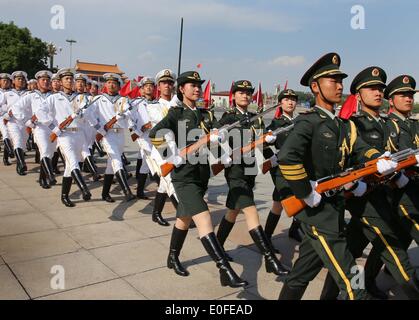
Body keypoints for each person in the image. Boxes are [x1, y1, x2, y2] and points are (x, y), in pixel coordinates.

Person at [277, 53, 397, 300]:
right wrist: (305, 192)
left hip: (334, 209)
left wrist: (380, 159)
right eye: (332, 80)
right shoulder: (308, 123)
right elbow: (287, 158)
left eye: (341, 80)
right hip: (318, 215)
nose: (340, 85)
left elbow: (362, 149)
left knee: (301, 274)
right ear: (315, 86)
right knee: (355, 285)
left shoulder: (345, 125)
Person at [320, 67, 419, 300]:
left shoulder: (387, 125)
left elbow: (394, 158)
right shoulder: (352, 124)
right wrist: (354, 185)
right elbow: (343, 162)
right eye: (371, 88)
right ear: (358, 94)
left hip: (384, 196)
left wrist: (400, 172)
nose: (378, 93)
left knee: (351, 252)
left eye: (380, 89)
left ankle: (337, 293)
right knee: (396, 255)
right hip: (364, 199)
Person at [149, 71, 247, 288]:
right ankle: (225, 270)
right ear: (181, 89)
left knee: (183, 219)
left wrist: (220, 147)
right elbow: (155, 134)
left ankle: (172, 257)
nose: (196, 89)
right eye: (191, 85)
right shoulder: (176, 114)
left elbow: (208, 143)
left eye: (198, 85)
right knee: (204, 220)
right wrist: (170, 155)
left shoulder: (204, 115)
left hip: (201, 175)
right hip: (184, 177)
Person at [214, 79, 289, 277]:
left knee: (232, 211)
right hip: (235, 172)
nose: (245, 95)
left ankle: (217, 247)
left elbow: (261, 143)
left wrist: (271, 157)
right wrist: (221, 149)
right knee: (250, 211)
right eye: (241, 92)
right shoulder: (228, 118)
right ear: (234, 96)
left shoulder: (256, 118)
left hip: (250, 171)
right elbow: (213, 139)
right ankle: (269, 258)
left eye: (248, 92)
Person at [41, 68, 92, 207]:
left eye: (71, 79)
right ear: (61, 82)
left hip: (79, 134)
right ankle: (84, 189)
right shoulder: (53, 97)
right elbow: (41, 113)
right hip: (64, 135)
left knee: (69, 167)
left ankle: (64, 195)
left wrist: (82, 113)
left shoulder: (81, 98)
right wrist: (54, 128)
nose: (69, 81)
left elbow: (89, 116)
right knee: (73, 161)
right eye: (66, 79)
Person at [264, 89, 304, 246]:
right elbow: (261, 144)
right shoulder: (275, 124)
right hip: (282, 169)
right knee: (286, 202)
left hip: (300, 167)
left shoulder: (301, 121)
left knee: (285, 202)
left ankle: (293, 229)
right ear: (281, 103)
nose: (290, 102)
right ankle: (267, 238)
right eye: (286, 99)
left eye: (293, 99)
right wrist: (272, 158)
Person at [89, 73, 136, 202]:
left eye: (114, 83)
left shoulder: (124, 100)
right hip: (106, 134)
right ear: (105, 84)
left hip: (120, 134)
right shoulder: (98, 99)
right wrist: (99, 127)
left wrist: (125, 114)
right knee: (116, 160)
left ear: (119, 86)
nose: (111, 84)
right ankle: (127, 190)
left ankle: (105, 194)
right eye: (109, 82)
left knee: (111, 166)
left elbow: (130, 113)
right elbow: (89, 114)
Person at [12, 70, 57, 188]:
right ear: (38, 82)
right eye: (43, 80)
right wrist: (26, 121)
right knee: (45, 150)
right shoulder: (31, 96)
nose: (46, 82)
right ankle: (50, 176)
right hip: (39, 128)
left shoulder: (55, 96)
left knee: (49, 154)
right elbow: (16, 108)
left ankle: (42, 178)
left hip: (53, 128)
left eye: (48, 80)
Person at [3, 71, 30, 175]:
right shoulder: (7, 94)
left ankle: (19, 165)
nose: (21, 81)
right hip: (12, 122)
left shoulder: (29, 94)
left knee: (22, 144)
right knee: (17, 141)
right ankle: (22, 163)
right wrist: (6, 115)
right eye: (18, 79)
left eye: (23, 79)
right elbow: (1, 107)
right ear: (13, 81)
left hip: (25, 122)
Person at [0, 73, 14, 166]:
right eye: (4, 80)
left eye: (8, 81)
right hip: (0, 116)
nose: (6, 82)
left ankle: (6, 157)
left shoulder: (13, 93)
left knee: (8, 136)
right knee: (5, 133)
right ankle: (10, 151)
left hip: (10, 117)